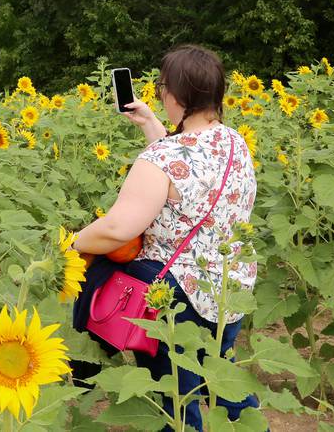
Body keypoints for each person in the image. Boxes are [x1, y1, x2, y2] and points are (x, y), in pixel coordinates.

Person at [72, 45, 260, 430]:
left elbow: (117, 229)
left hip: (174, 297)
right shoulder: (233, 142)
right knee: (221, 375)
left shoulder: (160, 160)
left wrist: (73, 243)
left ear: (174, 93)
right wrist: (148, 123)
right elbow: (187, 168)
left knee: (173, 396)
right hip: (226, 288)